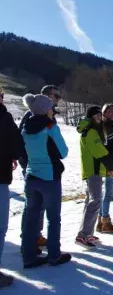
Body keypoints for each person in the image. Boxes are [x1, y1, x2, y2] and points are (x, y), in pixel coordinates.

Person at [21, 94, 71, 268]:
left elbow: (24, 152)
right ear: (45, 109)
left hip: (31, 176)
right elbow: (63, 152)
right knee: (53, 218)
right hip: (49, 178)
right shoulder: (50, 127)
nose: (53, 109)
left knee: (31, 219)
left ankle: (28, 257)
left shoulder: (25, 128)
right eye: (51, 107)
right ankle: (54, 255)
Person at [19, 85, 61, 249]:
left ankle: (35, 236)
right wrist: (25, 162)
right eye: (55, 96)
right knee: (32, 206)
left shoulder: (48, 115)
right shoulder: (31, 115)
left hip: (46, 166)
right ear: (45, 96)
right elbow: (20, 140)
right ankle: (30, 237)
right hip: (34, 166)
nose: (57, 99)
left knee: (39, 204)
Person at [76, 106, 113, 248]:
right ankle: (83, 235)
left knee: (90, 202)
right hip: (92, 170)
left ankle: (87, 232)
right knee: (96, 201)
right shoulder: (91, 131)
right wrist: (111, 167)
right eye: (97, 116)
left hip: (94, 170)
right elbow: (99, 151)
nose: (99, 118)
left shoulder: (92, 130)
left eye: (100, 115)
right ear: (91, 117)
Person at [0, 87, 24, 287]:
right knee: (0, 226)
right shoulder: (5, 118)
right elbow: (17, 143)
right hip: (0, 176)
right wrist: (12, 155)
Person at [94, 104, 113, 234]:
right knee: (109, 192)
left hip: (112, 162)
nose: (112, 113)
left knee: (106, 192)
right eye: (109, 111)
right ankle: (105, 221)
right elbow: (107, 145)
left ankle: (101, 221)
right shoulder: (104, 126)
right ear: (104, 113)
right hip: (108, 163)